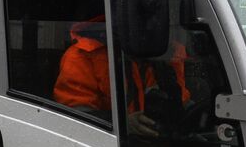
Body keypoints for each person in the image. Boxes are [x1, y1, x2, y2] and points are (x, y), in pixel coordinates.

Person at [52, 13, 190, 135]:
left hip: (157, 145)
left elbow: (182, 104)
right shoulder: (82, 56)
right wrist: (122, 125)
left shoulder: (164, 54)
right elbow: (75, 122)